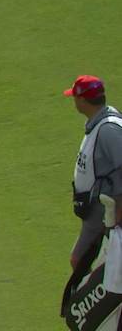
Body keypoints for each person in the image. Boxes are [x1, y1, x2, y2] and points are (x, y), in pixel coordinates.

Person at [65, 75, 122, 274]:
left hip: (105, 208)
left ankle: (100, 303)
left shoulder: (108, 130)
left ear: (82, 100)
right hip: (98, 208)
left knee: (79, 259)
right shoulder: (100, 123)